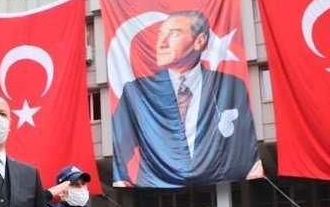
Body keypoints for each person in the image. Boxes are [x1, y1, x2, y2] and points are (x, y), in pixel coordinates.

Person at [111, 10, 261, 188]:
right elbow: (120, 144)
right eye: (160, 35)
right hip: (153, 187)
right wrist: (120, 177)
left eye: (173, 34)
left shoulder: (229, 85)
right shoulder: (136, 91)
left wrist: (252, 165)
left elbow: (242, 140)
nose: (162, 43)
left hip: (218, 183)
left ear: (199, 41)